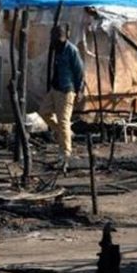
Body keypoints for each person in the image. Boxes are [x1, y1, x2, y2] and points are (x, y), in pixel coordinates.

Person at [41, 25, 83, 174]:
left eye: (58, 37)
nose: (55, 40)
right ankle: (63, 133)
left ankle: (66, 154)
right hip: (55, 88)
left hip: (66, 90)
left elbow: (79, 71)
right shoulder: (56, 49)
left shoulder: (71, 50)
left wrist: (79, 90)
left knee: (64, 121)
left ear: (64, 37)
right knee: (44, 112)